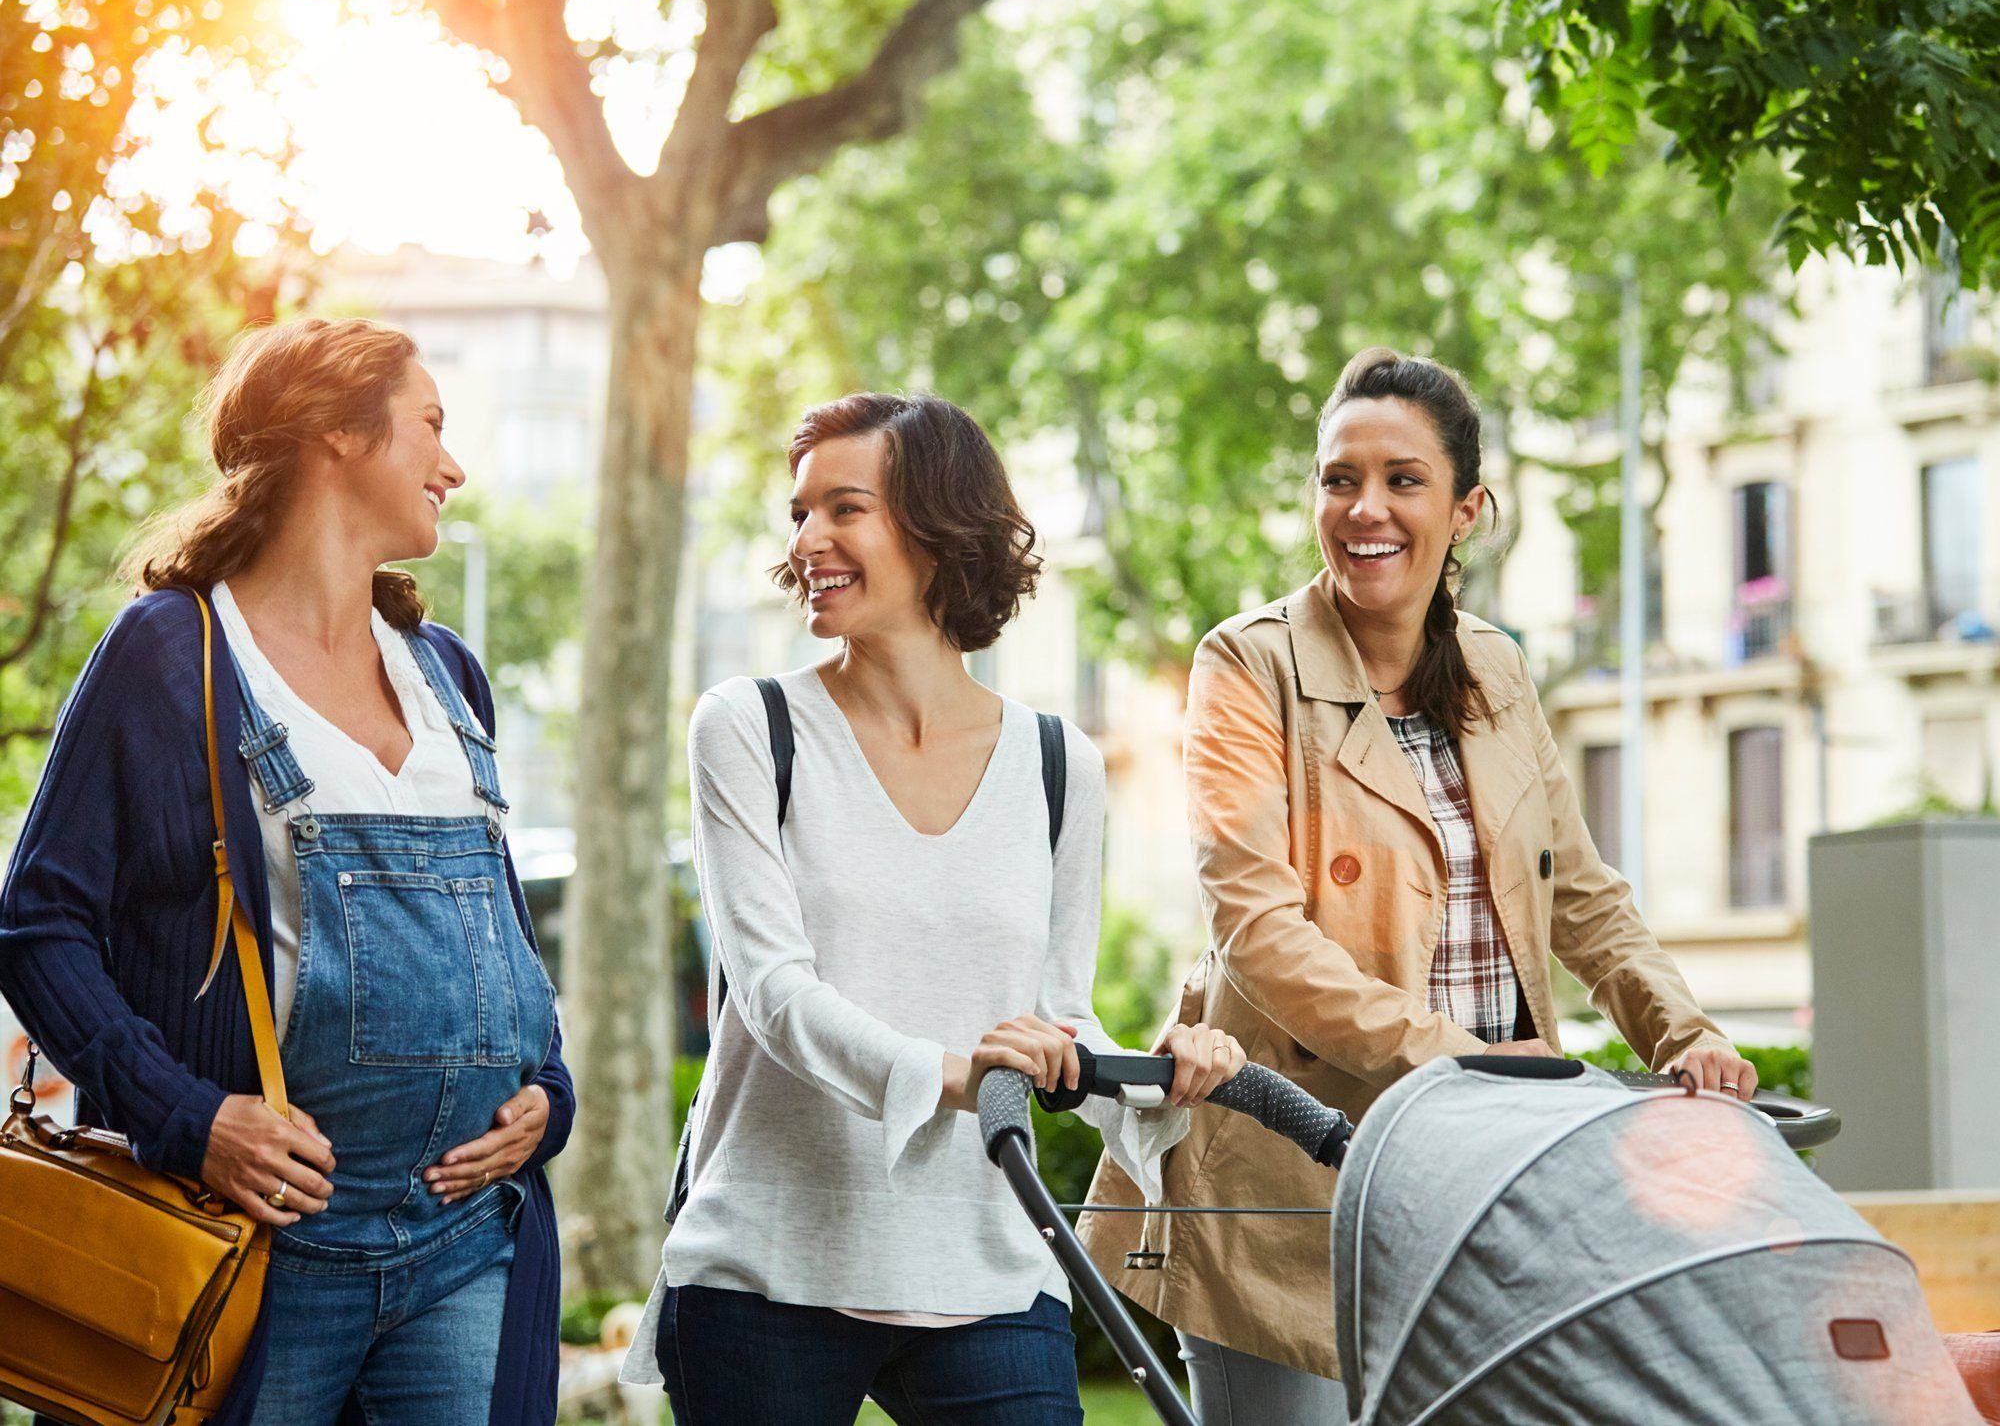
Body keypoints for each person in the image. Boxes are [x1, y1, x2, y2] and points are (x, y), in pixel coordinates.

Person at [1077, 347, 1757, 1419]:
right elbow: (1260, 936)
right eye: (1337, 478)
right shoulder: (1246, 665)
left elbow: (1574, 888)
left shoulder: (1493, 667)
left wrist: (1683, 1033)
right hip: (1289, 1176)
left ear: (1465, 509)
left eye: (1401, 480)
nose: (1363, 508)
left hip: (1481, 1182)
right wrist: (1469, 1073)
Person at [620, 391, 1245, 1424]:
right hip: (768, 1266)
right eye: (799, 513)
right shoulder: (750, 729)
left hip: (983, 1263)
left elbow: (1056, 1023)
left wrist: (1157, 1077)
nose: (806, 540)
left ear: (936, 528)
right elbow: (773, 994)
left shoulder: (1056, 766)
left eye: (844, 509)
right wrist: (958, 1076)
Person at [0, 317, 574, 1426]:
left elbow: (498, 930)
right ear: (335, 436)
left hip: (462, 1240)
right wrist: (187, 1117)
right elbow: (38, 923)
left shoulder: (443, 667)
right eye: (431, 429)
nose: (452, 467)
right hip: (258, 1251)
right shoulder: (174, 653)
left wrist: (547, 1091)